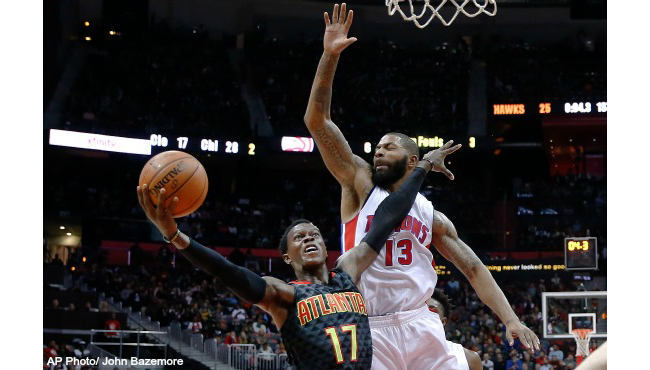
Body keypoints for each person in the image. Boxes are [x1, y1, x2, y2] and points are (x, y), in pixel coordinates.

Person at [303, 3, 541, 368]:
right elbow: (317, 122)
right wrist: (328, 55)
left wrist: (510, 319)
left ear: (413, 161)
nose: (379, 150)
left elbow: (474, 268)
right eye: (377, 146)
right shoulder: (358, 183)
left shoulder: (431, 215)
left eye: (389, 146)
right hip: (369, 325)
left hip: (420, 322)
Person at [136, 146, 453, 369]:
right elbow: (228, 273)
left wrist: (423, 166)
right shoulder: (285, 294)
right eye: (299, 237)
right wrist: (175, 236)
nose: (309, 238)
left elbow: (388, 217)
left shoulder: (348, 273)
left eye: (314, 234)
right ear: (287, 257)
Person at [426, 288, 482, 370]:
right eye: (420, 311)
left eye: (431, 310)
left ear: (443, 321)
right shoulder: (402, 355)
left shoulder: (470, 358)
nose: (424, 315)